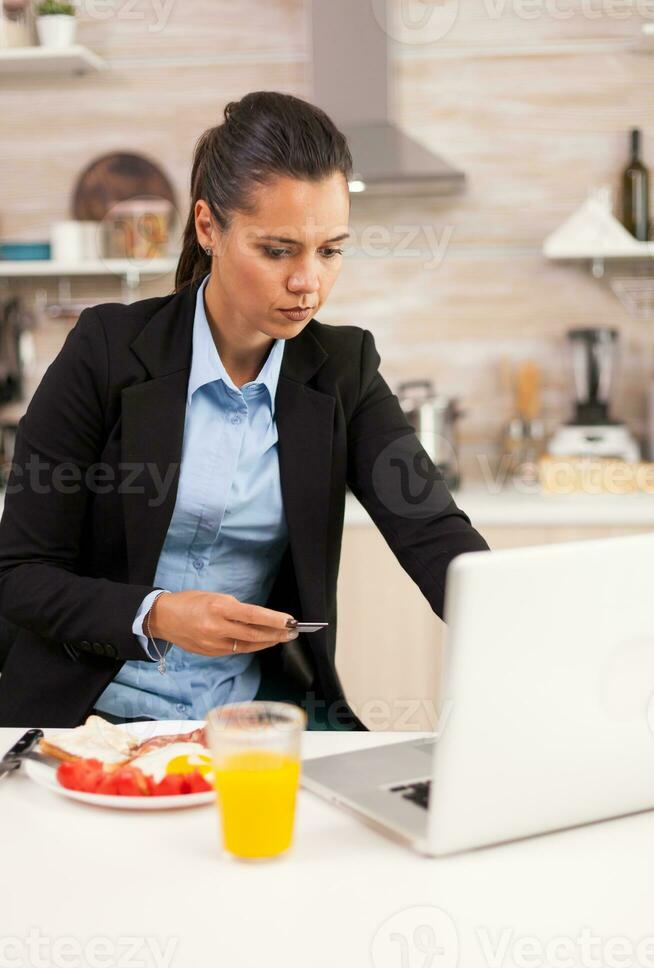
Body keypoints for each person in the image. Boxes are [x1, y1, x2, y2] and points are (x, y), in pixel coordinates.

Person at [0, 91, 489, 731]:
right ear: (210, 227)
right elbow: (19, 572)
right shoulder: (108, 351)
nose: (307, 282)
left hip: (255, 725)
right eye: (278, 249)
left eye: (331, 250)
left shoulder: (344, 370)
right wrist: (157, 613)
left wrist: (523, 624)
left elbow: (433, 533)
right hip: (87, 720)